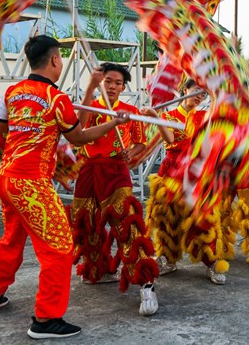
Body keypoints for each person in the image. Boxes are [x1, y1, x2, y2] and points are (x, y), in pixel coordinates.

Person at [0, 35, 128, 339]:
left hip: (7, 179)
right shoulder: (56, 99)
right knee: (60, 247)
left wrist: (28, 123)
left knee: (13, 237)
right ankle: (46, 319)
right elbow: (79, 138)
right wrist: (114, 123)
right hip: (31, 183)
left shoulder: (13, 92)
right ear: (54, 61)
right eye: (60, 57)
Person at [71, 63, 160, 316]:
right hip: (88, 171)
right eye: (107, 81)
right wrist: (89, 89)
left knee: (126, 223)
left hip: (116, 171)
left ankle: (146, 283)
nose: (112, 86)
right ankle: (97, 269)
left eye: (117, 83)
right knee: (87, 222)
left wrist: (129, 152)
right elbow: (79, 131)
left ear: (123, 87)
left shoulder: (130, 112)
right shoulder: (89, 105)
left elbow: (140, 144)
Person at [145, 80, 235, 285]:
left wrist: (214, 95)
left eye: (202, 95)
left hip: (196, 172)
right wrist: (156, 118)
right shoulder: (168, 116)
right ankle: (168, 259)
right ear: (184, 90)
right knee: (168, 218)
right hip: (171, 169)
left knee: (203, 218)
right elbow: (169, 139)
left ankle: (211, 261)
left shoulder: (203, 117)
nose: (198, 97)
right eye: (195, 92)